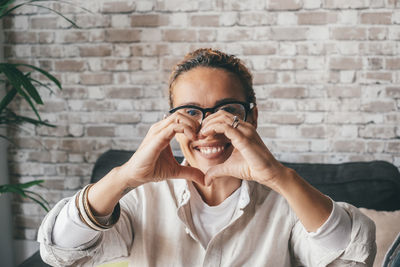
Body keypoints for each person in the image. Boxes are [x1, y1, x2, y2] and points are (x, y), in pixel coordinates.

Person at [38, 48, 376, 266]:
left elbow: (352, 257)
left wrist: (279, 177)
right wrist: (124, 176)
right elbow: (60, 250)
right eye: (190, 112)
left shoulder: (286, 201)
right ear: (171, 121)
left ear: (252, 118)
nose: (209, 129)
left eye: (228, 111)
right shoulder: (141, 198)